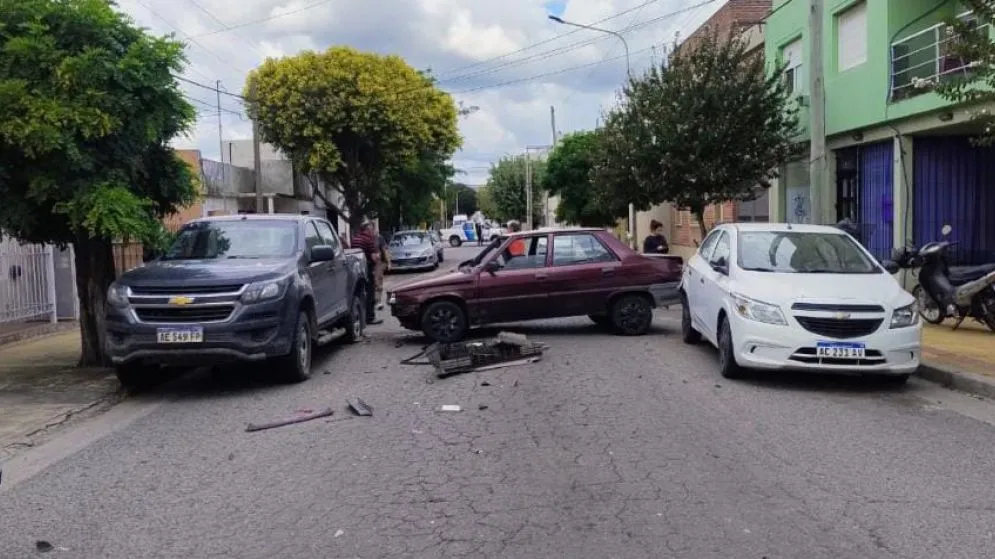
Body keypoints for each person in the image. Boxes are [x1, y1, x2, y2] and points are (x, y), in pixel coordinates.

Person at [350, 220, 382, 325]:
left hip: (357, 270)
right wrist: (378, 256)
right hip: (367, 268)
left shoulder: (355, 239)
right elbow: (374, 257)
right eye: (371, 228)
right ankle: (370, 317)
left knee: (359, 294)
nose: (373, 231)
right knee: (370, 294)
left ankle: (361, 317)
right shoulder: (369, 240)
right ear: (367, 229)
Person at [375, 227, 390, 310]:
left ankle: (378, 301)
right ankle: (376, 302)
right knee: (376, 283)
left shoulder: (379, 238)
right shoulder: (369, 238)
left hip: (379, 263)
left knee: (378, 282)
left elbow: (385, 250)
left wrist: (388, 262)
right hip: (373, 263)